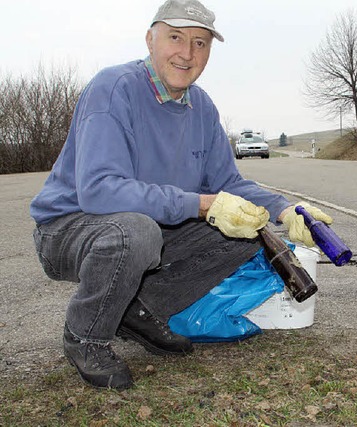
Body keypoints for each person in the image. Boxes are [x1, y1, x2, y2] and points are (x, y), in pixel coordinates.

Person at [29, 0, 333, 390]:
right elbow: (99, 191)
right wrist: (202, 204)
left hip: (148, 228)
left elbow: (230, 184)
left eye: (201, 43)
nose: (187, 54)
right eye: (175, 37)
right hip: (69, 228)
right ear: (150, 39)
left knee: (251, 229)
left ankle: (135, 309)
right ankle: (85, 337)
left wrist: (284, 209)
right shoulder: (113, 89)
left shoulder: (202, 107)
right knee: (136, 233)